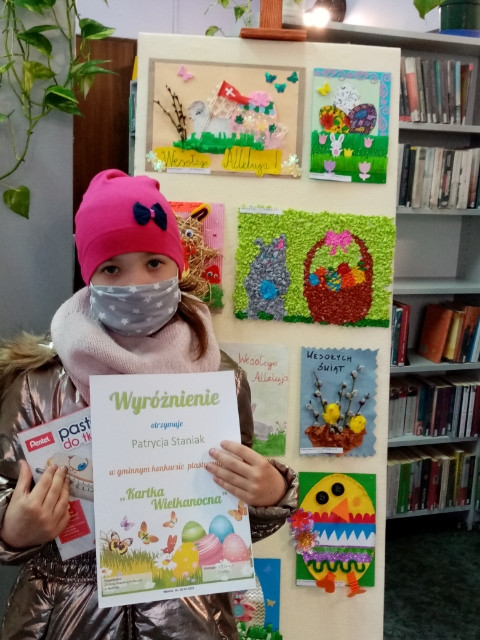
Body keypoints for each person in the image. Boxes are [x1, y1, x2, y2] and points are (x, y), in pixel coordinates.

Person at [0, 169, 298, 639]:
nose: (136, 284)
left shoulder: (221, 377)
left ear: (179, 266)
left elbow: (229, 508)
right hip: (64, 612)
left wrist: (269, 494)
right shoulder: (37, 383)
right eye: (112, 268)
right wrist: (12, 527)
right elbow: (6, 486)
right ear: (88, 275)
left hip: (187, 614)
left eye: (154, 262)